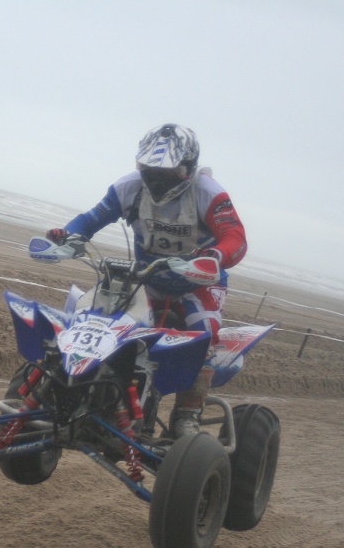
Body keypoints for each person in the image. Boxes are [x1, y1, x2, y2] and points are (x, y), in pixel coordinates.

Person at [46, 123, 247, 439]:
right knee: (96, 317)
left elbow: (236, 237)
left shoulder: (209, 193)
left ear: (186, 169)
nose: (154, 178)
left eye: (164, 172)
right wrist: (68, 236)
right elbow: (91, 219)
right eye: (149, 169)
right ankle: (76, 389)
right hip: (146, 277)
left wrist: (217, 257)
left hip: (200, 281)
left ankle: (186, 416)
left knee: (203, 333)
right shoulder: (129, 186)